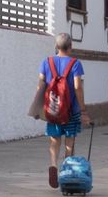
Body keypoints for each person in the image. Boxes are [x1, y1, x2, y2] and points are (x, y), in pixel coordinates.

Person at [36, 32, 91, 188]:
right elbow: (77, 87)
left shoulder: (46, 62)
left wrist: (39, 107)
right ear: (70, 47)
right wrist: (83, 110)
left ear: (56, 46)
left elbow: (40, 84)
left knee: (54, 140)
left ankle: (53, 165)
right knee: (69, 142)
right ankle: (66, 171)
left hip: (52, 110)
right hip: (71, 110)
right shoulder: (75, 64)